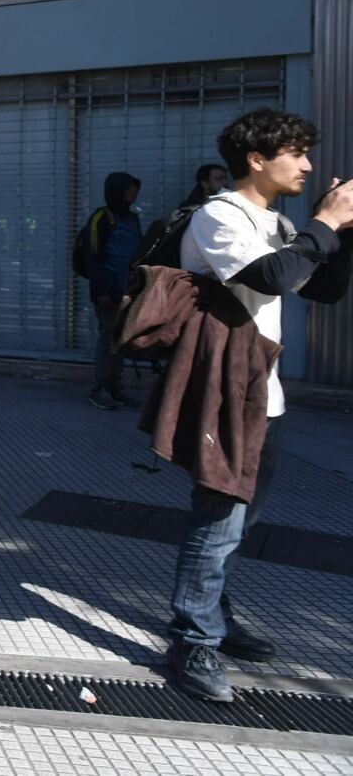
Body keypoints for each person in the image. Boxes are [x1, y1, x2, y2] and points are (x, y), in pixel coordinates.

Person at [160, 110, 353, 703]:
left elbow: (320, 287)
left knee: (242, 520)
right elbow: (269, 275)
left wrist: (339, 234)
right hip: (221, 389)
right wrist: (322, 222)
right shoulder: (221, 215)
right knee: (218, 515)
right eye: (297, 153)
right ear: (257, 159)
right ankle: (193, 640)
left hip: (261, 393)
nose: (308, 165)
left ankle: (212, 611)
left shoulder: (278, 220)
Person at [81, 172, 143, 411]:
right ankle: (100, 389)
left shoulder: (131, 218)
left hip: (127, 290)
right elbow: (93, 258)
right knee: (109, 340)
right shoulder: (101, 218)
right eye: (129, 189)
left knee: (121, 341)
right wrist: (101, 291)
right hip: (108, 291)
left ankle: (115, 388)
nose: (133, 194)